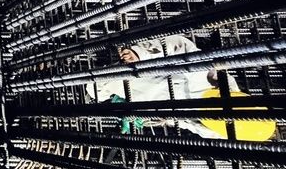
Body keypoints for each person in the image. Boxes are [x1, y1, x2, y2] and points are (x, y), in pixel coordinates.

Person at [85, 34, 239, 139]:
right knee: (94, 82)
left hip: (140, 100)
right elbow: (180, 45)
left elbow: (185, 123)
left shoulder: (219, 132)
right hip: (140, 74)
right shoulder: (216, 81)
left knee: (92, 91)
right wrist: (140, 54)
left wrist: (151, 118)